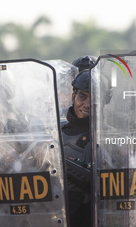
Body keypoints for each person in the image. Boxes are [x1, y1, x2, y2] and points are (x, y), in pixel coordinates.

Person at [61, 70, 92, 227]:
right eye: (82, 96)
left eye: (93, 99)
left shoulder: (106, 136)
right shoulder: (56, 132)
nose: (86, 105)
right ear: (73, 97)